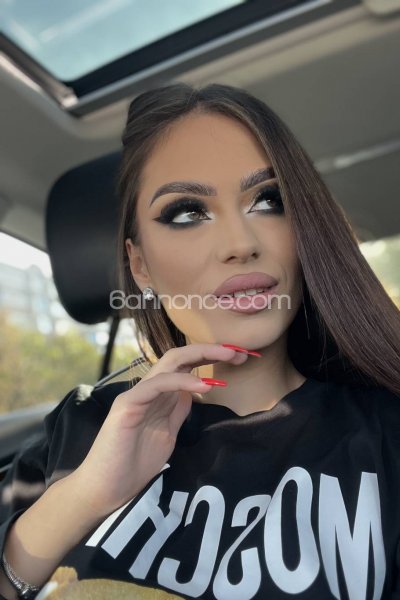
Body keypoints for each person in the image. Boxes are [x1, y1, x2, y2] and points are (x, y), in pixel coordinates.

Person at [0, 82, 399, 600]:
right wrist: (82, 497)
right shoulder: (79, 426)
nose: (240, 244)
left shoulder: (386, 434)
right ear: (140, 265)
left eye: (269, 200)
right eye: (187, 212)